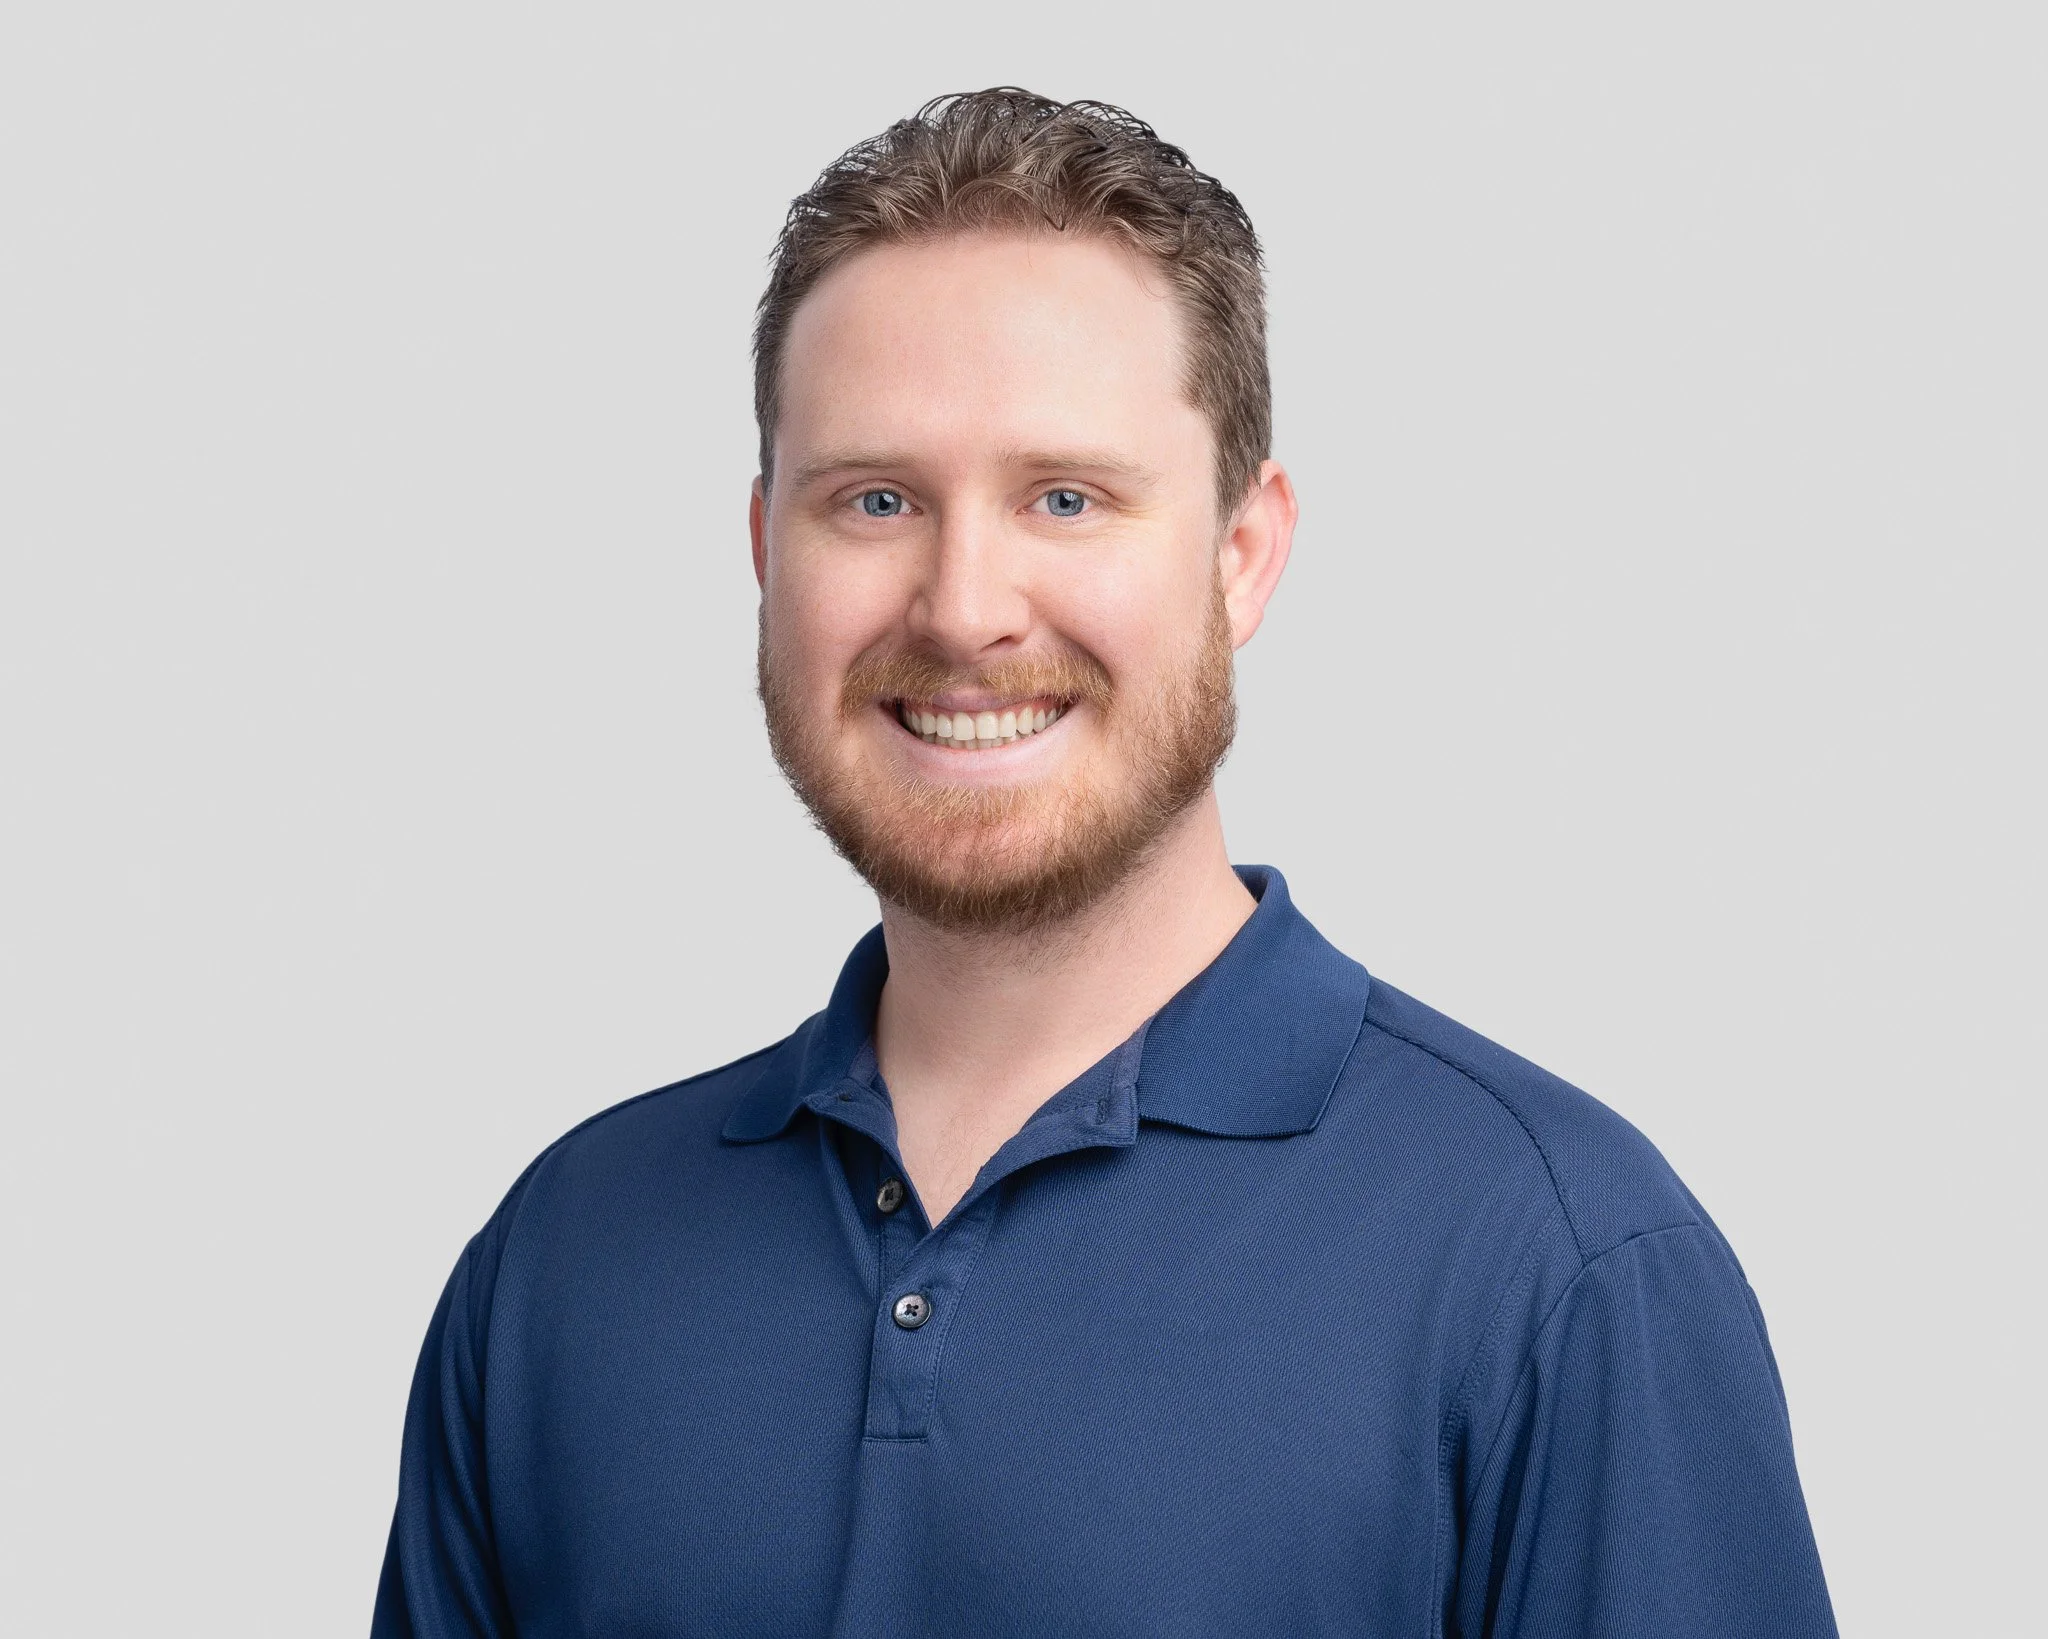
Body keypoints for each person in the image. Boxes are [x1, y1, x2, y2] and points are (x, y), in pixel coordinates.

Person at [373, 89, 1837, 1637]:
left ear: (1242, 555)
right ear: (763, 552)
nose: (964, 606)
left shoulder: (1560, 1266)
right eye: (875, 500)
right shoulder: (560, 1261)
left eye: (1065, 498)